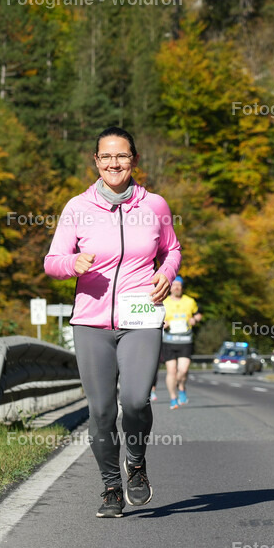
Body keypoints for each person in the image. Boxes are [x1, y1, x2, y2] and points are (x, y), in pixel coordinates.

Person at [44, 126, 181, 518]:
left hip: (140, 316)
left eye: (121, 156)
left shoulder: (155, 205)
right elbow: (52, 262)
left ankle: (135, 462)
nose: (114, 163)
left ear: (134, 160)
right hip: (91, 320)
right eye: (106, 156)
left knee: (135, 400)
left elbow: (172, 249)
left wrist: (167, 274)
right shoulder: (77, 207)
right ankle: (110, 487)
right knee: (102, 410)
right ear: (96, 161)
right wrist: (73, 263)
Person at [161, 276, 201, 409]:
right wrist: (163, 323)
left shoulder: (189, 301)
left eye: (179, 285)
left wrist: (195, 320)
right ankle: (173, 398)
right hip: (169, 340)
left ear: (182, 287)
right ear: (170, 287)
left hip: (185, 340)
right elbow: (157, 318)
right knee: (171, 371)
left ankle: (181, 386)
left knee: (183, 370)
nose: (176, 287)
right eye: (174, 285)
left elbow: (198, 314)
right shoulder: (164, 302)